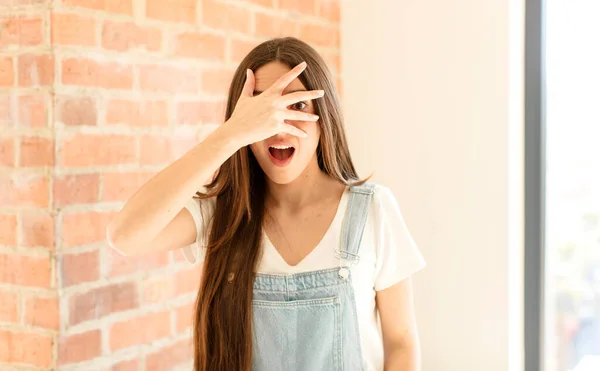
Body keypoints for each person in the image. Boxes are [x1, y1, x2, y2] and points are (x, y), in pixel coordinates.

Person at [106, 37, 426, 371]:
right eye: (261, 110)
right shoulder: (222, 215)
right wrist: (230, 134)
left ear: (324, 114)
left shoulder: (372, 210)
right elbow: (125, 236)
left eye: (297, 105)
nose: (277, 124)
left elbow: (401, 344)